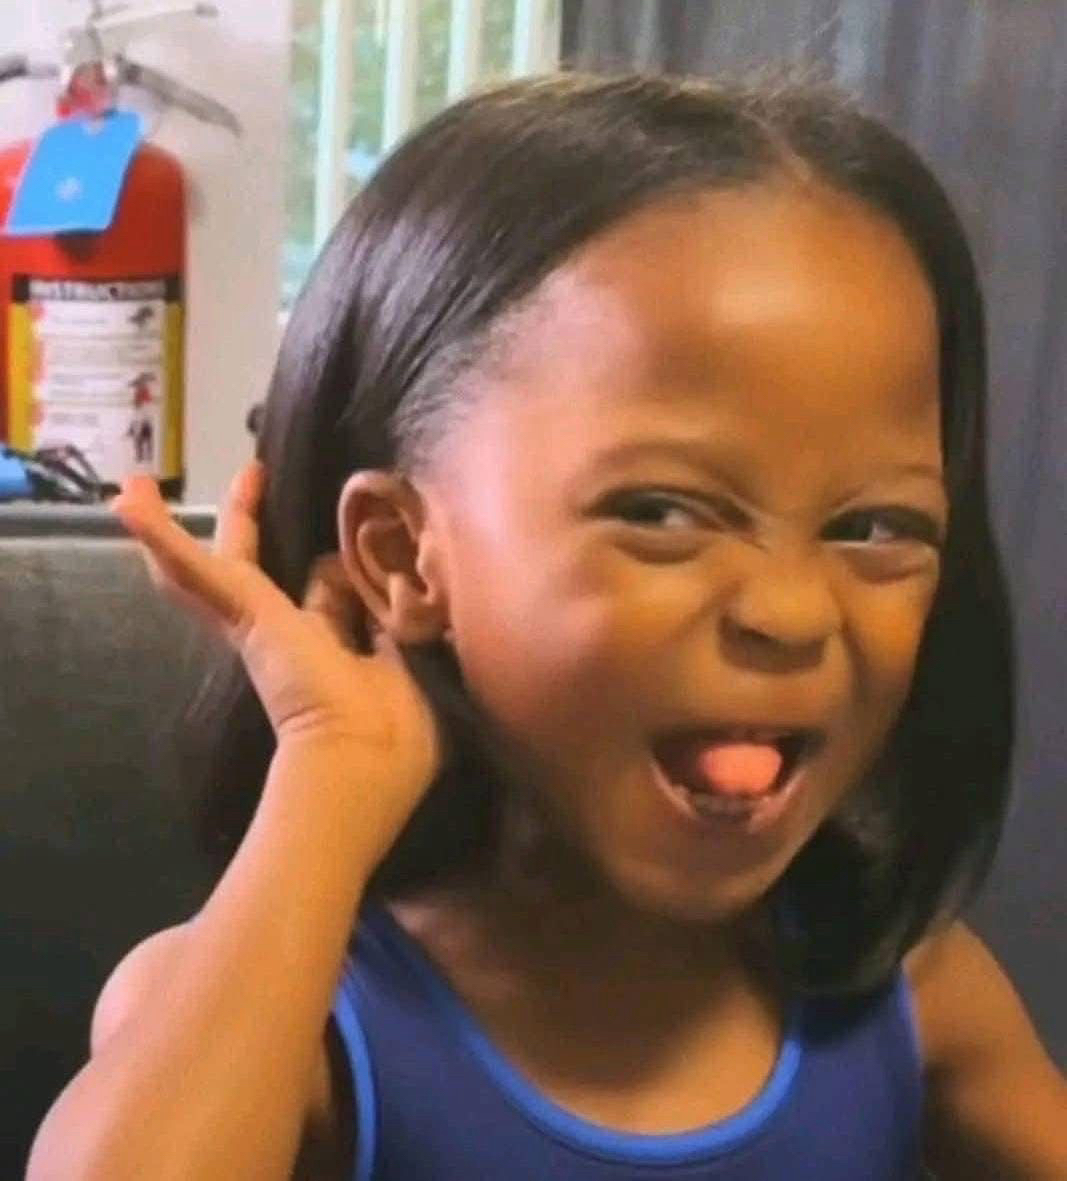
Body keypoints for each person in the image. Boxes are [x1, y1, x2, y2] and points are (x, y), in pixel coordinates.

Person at [27, 70, 1067, 1180]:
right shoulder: (283, 1022)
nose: (791, 611)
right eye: (660, 512)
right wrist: (333, 770)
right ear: (400, 555)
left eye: (872, 526)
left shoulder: (907, 996)